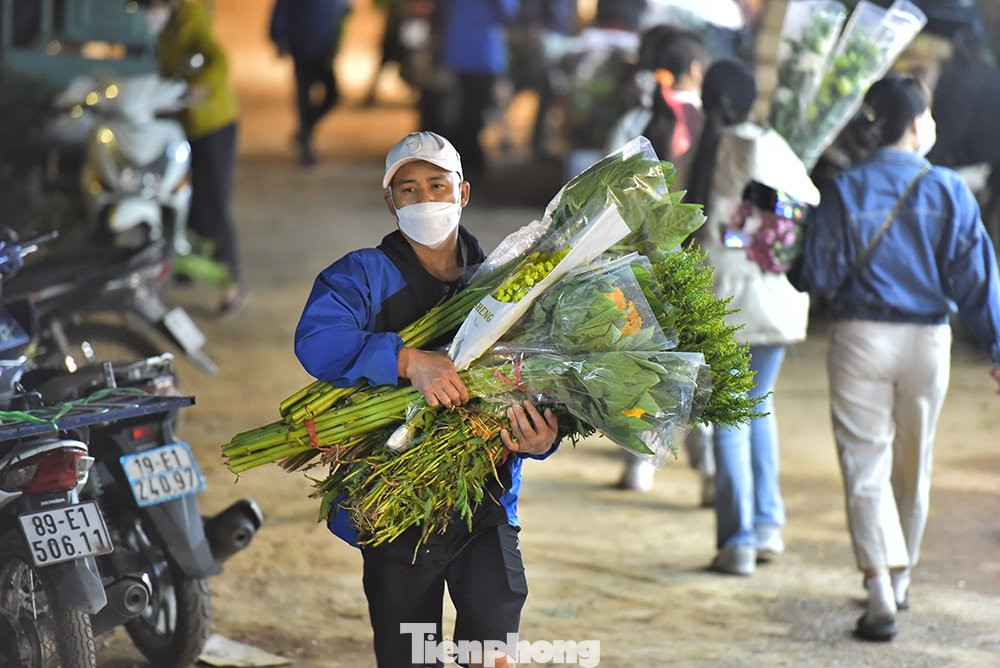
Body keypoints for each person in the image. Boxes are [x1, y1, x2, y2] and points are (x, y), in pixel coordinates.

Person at [294, 131, 560, 666]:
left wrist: (542, 439)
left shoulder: (504, 283)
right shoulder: (364, 274)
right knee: (409, 655)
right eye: (408, 189)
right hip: (394, 501)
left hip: (485, 499)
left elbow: (545, 381)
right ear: (390, 201)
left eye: (437, 185)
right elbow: (317, 340)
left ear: (462, 194)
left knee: (492, 646)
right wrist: (407, 361)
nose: (424, 199)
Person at [789, 74, 1000, 641]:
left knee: (865, 463)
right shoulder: (950, 190)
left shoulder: (844, 189)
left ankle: (879, 586)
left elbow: (821, 275)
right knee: (916, 459)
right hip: (929, 340)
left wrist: (790, 244)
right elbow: (977, 278)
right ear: (916, 124)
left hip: (860, 338)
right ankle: (902, 578)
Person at [684, 59, 819, 576]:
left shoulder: (704, 153)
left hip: (722, 305)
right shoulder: (775, 147)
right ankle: (768, 526)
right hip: (777, 303)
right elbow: (809, 203)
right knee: (759, 407)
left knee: (731, 420)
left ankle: (737, 540)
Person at [143, 0, 247, 313]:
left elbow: (219, 61)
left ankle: (233, 282)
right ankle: (186, 268)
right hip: (186, 124)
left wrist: (201, 86)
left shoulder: (191, 17)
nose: (150, 10)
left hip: (214, 123)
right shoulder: (166, 30)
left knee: (213, 202)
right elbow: (167, 73)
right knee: (184, 199)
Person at [433, 0, 519, 176]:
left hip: (455, 46)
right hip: (482, 50)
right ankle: (470, 159)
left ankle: (461, 157)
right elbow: (507, 12)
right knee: (475, 108)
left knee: (462, 107)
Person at [269, 0, 353, 166]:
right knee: (304, 95)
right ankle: (306, 146)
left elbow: (344, 11)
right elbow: (281, 9)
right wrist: (279, 37)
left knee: (332, 95)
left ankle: (304, 131)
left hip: (324, 49)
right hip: (301, 47)